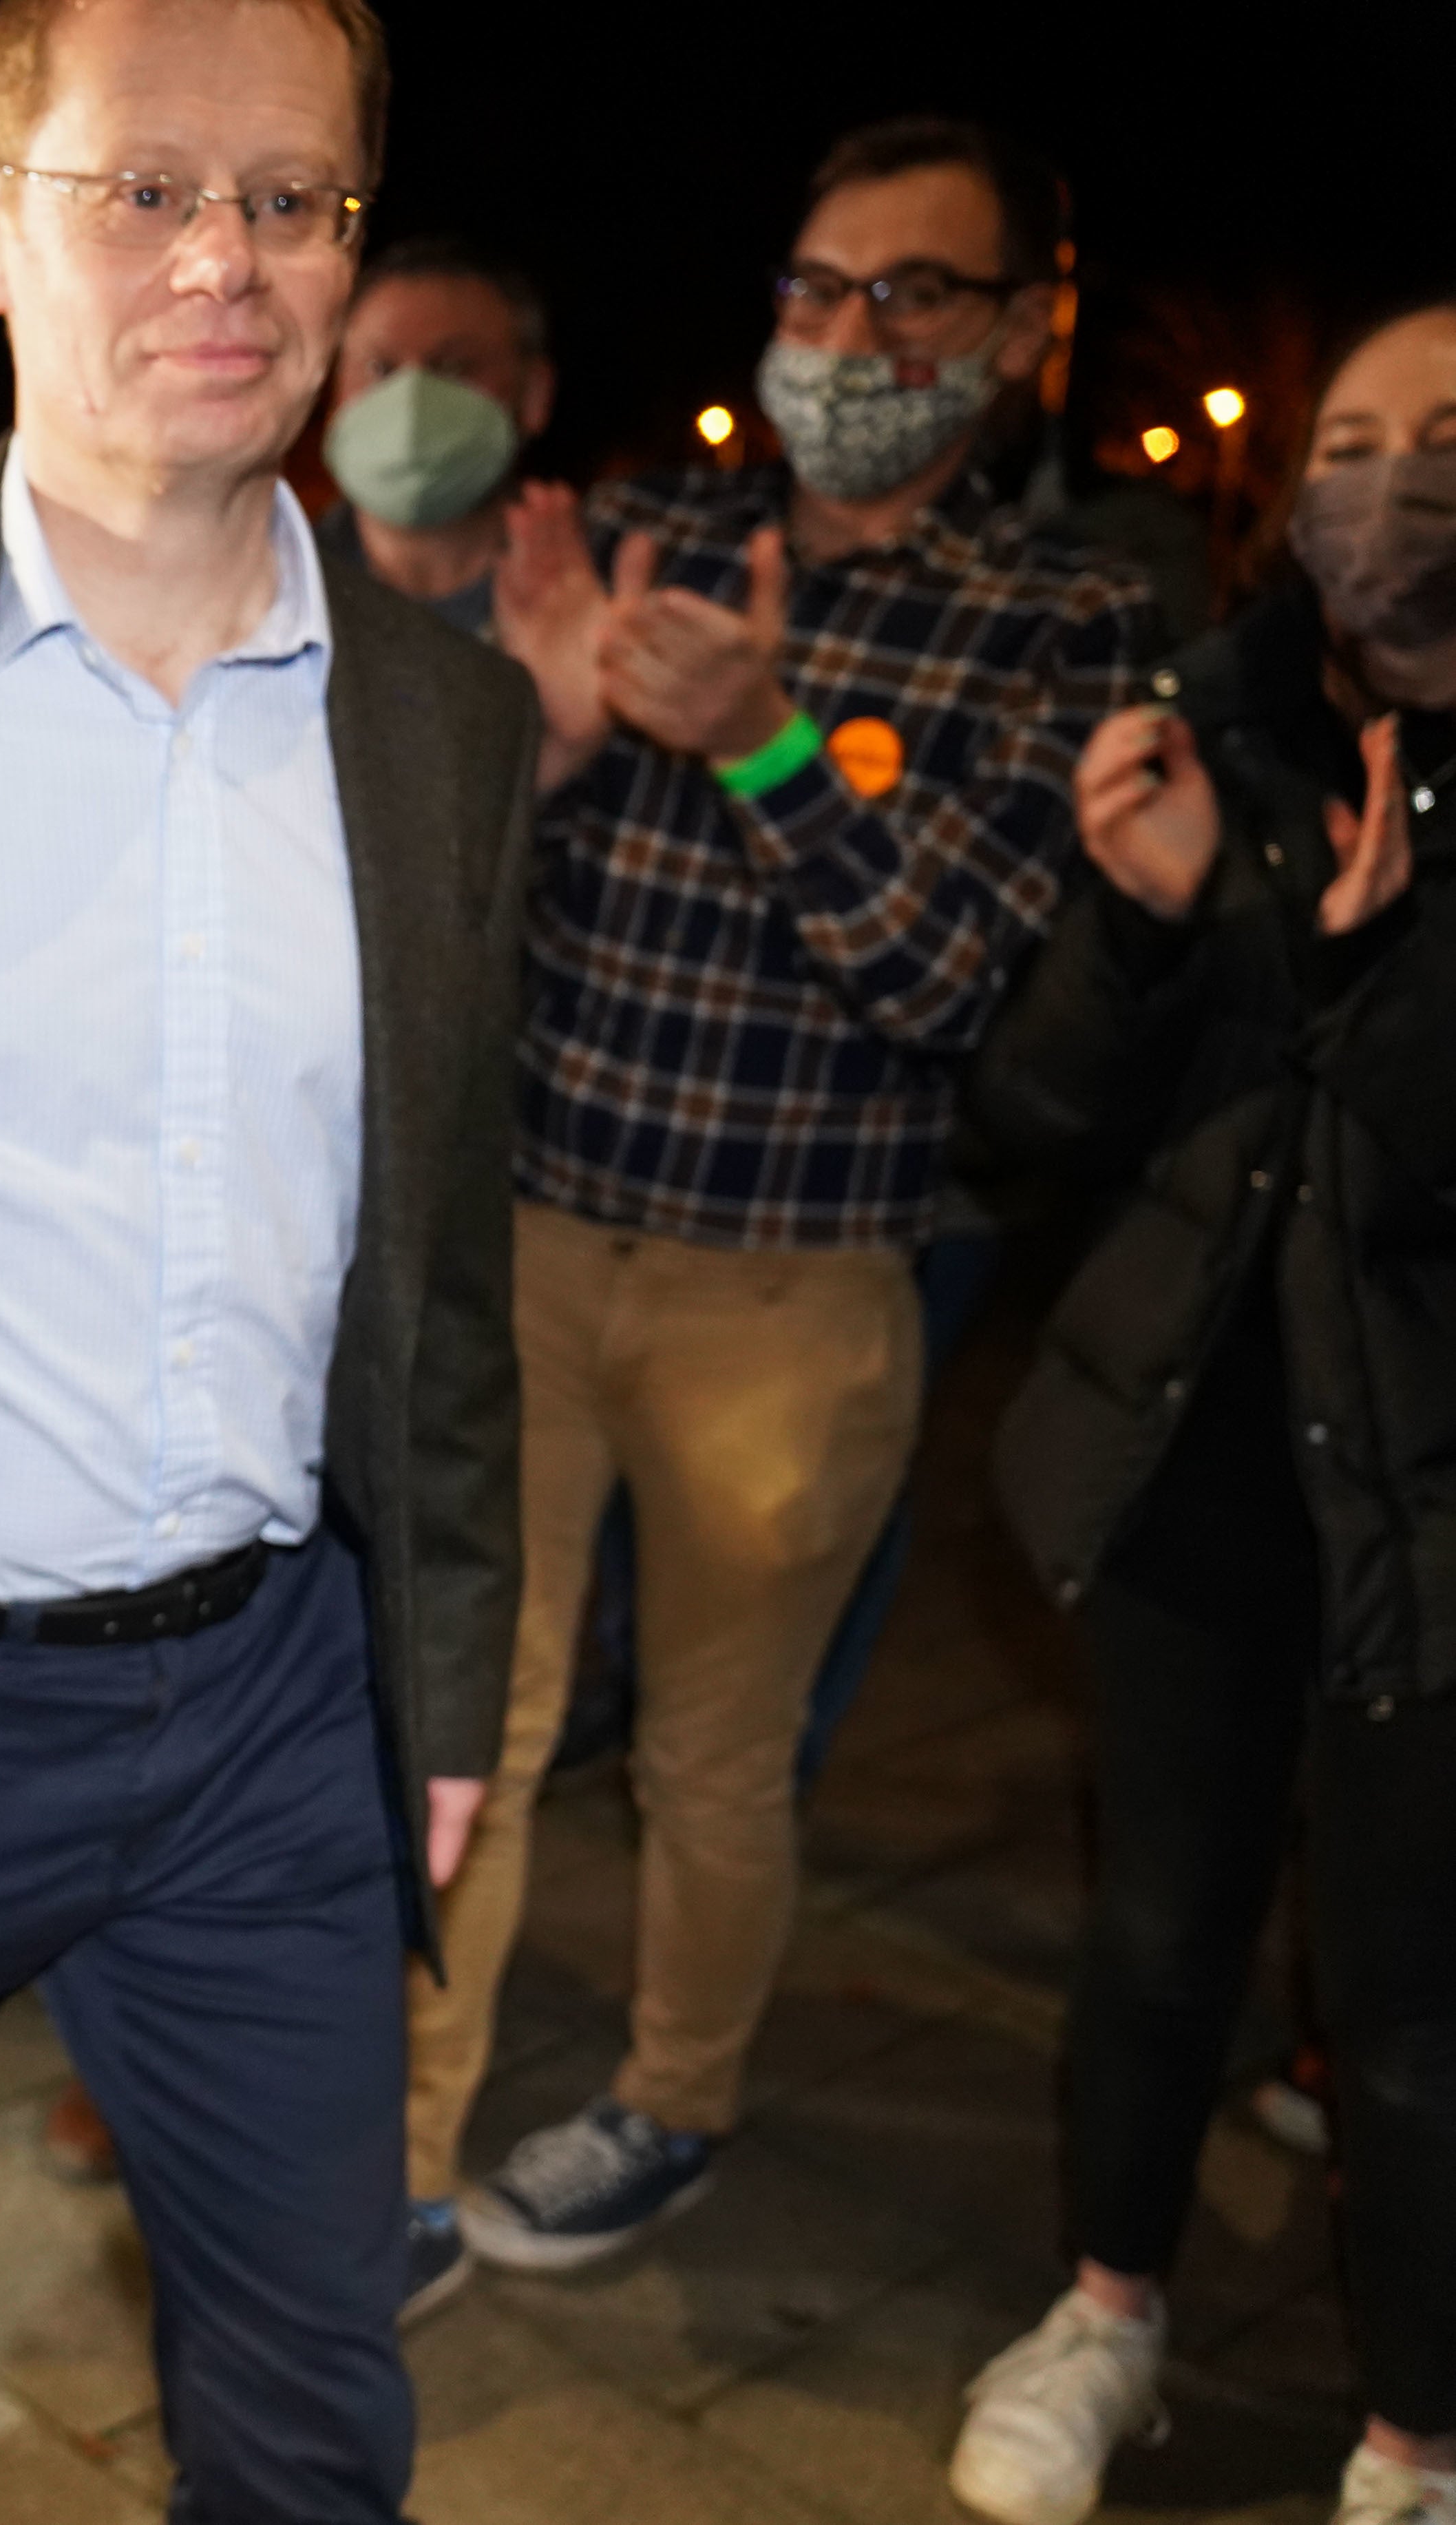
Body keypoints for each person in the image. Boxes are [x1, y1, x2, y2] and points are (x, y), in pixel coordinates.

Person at [0, 1, 538, 2513]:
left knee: (317, 2398)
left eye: (292, 200)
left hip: (271, 1712)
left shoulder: (445, 727)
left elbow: (446, 1263)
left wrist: (449, 1675)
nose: (226, 260)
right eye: (142, 187)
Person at [422, 116, 1161, 2296]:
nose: (850, 336)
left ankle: (672, 2100)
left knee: (716, 1764)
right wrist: (534, 739)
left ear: (1021, 330)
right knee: (479, 1714)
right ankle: (391, 2148)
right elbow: (451, 902)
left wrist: (760, 744)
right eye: (817, 289)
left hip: (797, 1286)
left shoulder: (1057, 620)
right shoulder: (639, 533)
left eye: (910, 295)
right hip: (540, 1243)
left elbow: (951, 983)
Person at [946, 295, 1456, 2525]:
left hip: (1430, 1520)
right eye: (1355, 436)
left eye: (1449, 439)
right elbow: (1033, 1108)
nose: (1392, 481)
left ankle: (1414, 2434)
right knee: (1157, 1931)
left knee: (1415, 2017)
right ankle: (1110, 2309)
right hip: (1189, 1466)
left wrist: (1375, 979)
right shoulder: (1208, 731)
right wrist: (1150, 929)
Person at [315, 235, 551, 638]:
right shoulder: (267, 588)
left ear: (534, 393)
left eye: (455, 368)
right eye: (382, 369)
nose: (411, 401)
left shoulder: (610, 582)